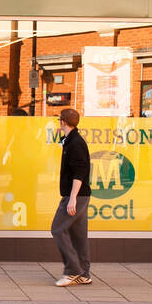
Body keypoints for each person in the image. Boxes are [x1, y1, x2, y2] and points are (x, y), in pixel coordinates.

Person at [50, 108, 94, 286]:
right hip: (80, 195)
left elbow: (80, 171)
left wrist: (72, 198)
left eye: (59, 120)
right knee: (78, 235)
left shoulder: (75, 142)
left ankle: (73, 270)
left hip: (76, 195)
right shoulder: (71, 140)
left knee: (57, 229)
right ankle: (84, 273)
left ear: (63, 122)